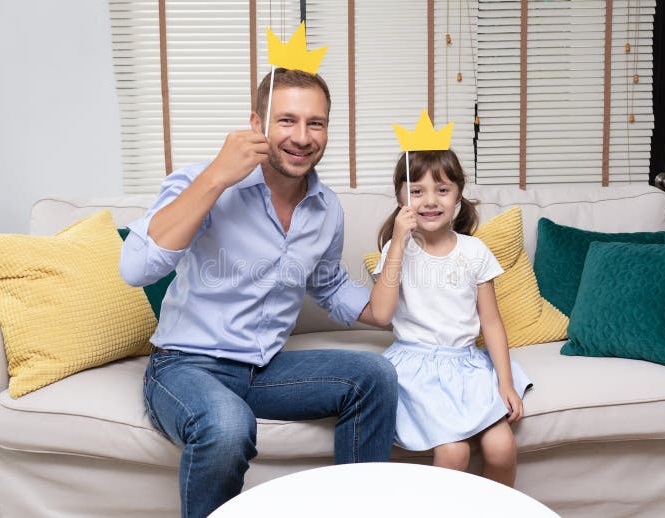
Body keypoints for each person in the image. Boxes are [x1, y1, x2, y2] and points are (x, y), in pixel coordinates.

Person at [119, 68, 398, 517]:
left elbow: (326, 283)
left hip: (264, 369)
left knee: (374, 376)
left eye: (316, 123)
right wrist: (215, 177)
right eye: (287, 120)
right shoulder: (202, 182)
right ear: (256, 124)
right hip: (185, 365)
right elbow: (135, 267)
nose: (303, 137)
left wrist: (389, 310)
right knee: (229, 425)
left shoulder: (326, 210)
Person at [367, 149, 531, 487]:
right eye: (417, 190)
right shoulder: (396, 250)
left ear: (458, 194)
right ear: (400, 195)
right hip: (416, 368)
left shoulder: (474, 251)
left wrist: (505, 383)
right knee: (454, 452)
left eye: (442, 190)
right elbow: (382, 311)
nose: (430, 200)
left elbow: (492, 323)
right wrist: (398, 242)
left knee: (502, 448)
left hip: (467, 365)